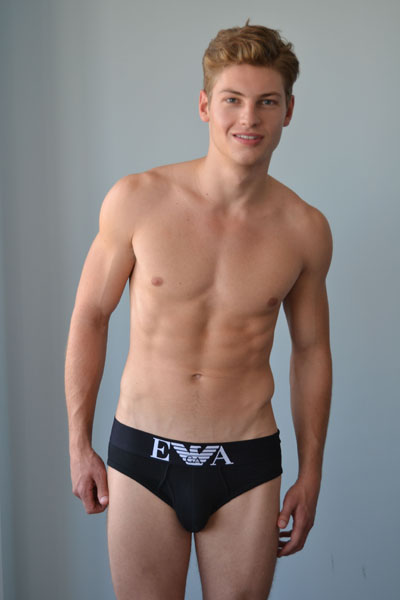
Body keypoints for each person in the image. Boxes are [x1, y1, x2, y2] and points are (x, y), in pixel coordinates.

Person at [64, 19, 333, 600]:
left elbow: (311, 351)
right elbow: (90, 315)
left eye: (267, 102)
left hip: (245, 462)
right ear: (206, 105)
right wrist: (78, 443)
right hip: (144, 454)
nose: (249, 118)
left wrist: (312, 471)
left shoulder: (305, 230)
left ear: (288, 111)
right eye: (233, 99)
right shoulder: (138, 200)